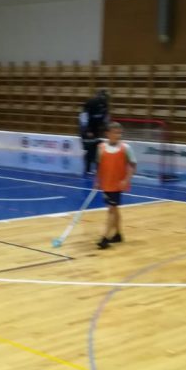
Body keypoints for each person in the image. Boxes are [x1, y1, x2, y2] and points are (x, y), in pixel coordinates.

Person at [96, 121, 136, 250]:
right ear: (107, 133)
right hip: (106, 184)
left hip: (117, 184)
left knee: (111, 210)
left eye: (119, 133)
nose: (118, 135)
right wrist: (97, 180)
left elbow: (133, 165)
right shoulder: (101, 147)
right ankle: (118, 235)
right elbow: (99, 166)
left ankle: (105, 238)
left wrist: (126, 180)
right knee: (114, 209)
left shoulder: (126, 148)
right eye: (115, 133)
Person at [80, 89, 111, 176]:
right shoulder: (91, 102)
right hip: (87, 129)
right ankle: (87, 169)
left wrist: (106, 128)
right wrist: (87, 130)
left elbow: (106, 117)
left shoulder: (105, 105)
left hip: (96, 129)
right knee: (90, 149)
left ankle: (96, 168)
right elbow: (83, 116)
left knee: (97, 148)